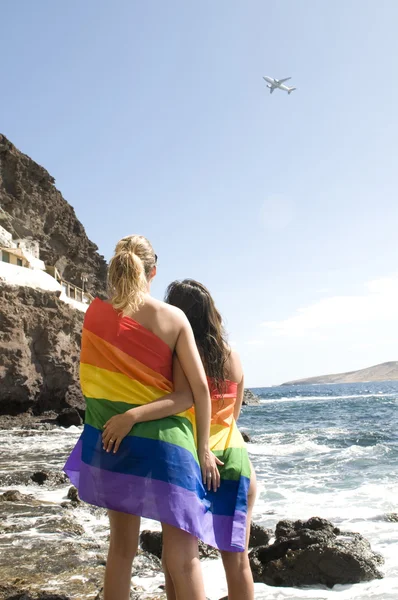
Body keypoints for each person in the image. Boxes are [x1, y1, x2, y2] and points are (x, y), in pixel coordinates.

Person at [64, 236, 221, 600]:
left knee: (120, 552)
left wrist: (126, 417)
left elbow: (92, 384)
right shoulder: (172, 318)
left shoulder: (94, 314)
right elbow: (195, 393)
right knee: (183, 561)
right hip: (167, 449)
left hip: (111, 442)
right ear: (153, 270)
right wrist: (203, 450)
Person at [165, 279, 257, 600]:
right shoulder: (233, 356)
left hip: (192, 459)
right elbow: (233, 416)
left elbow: (179, 402)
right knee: (237, 561)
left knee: (181, 561)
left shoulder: (178, 354)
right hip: (234, 457)